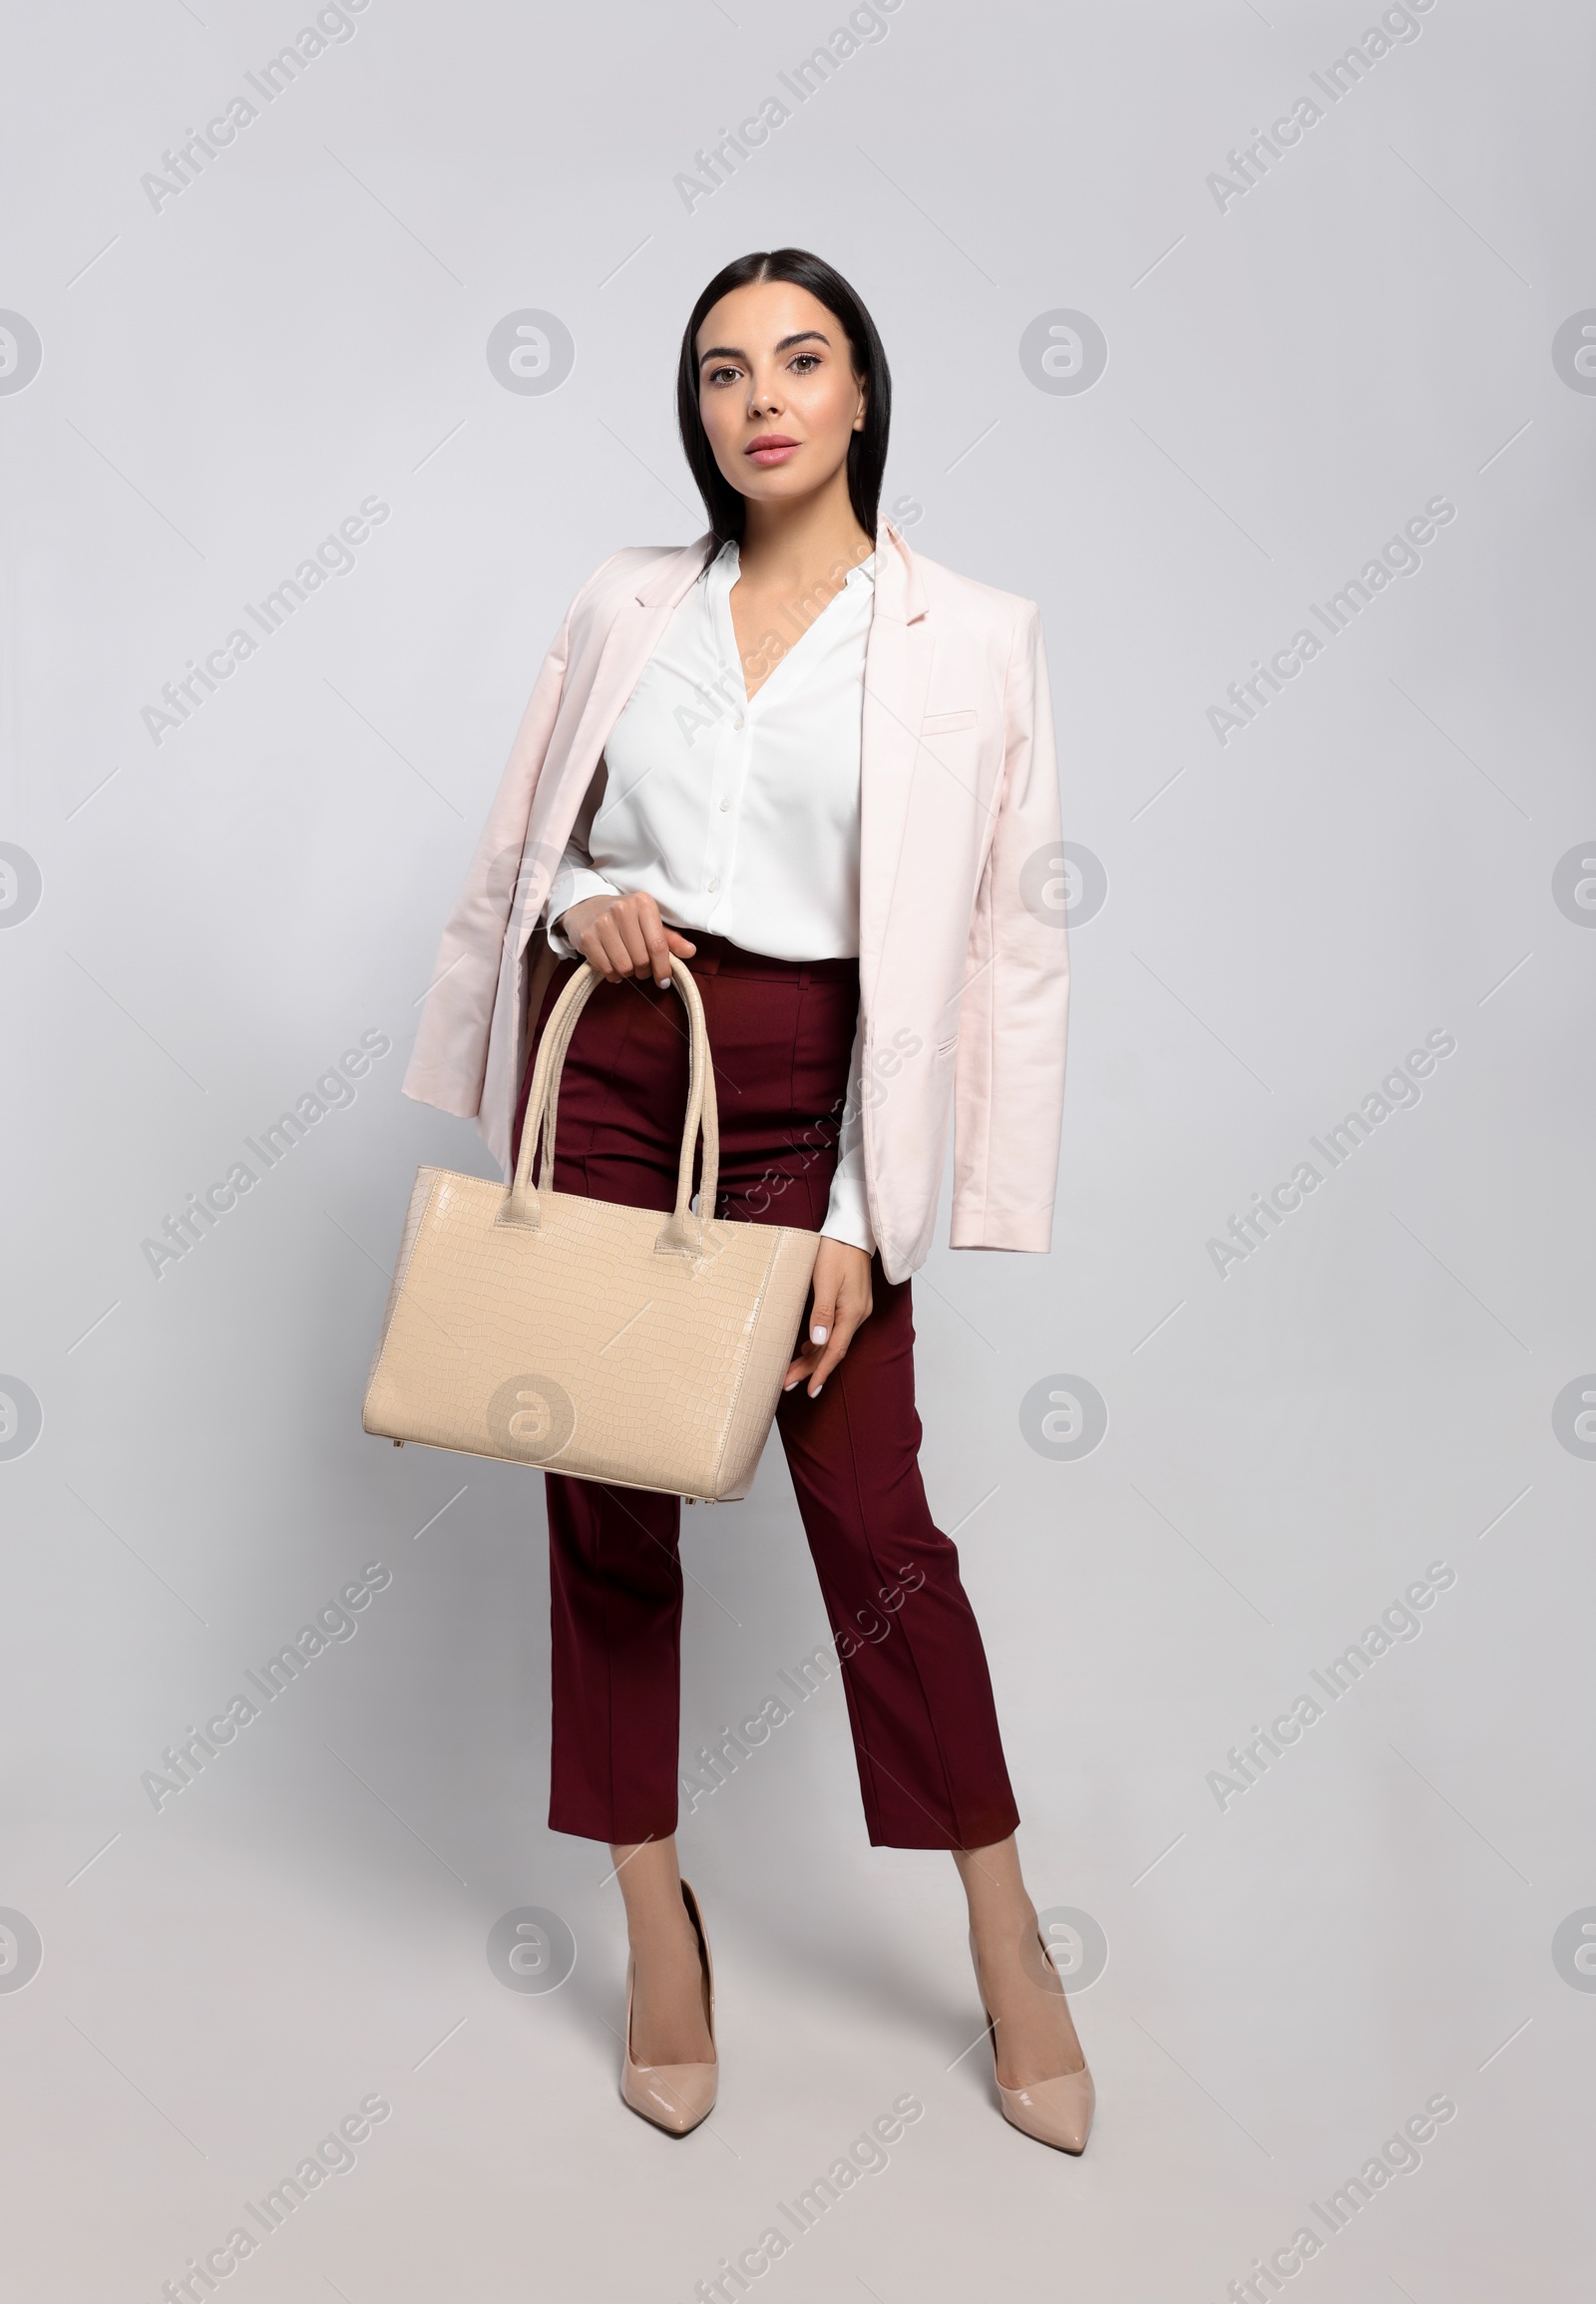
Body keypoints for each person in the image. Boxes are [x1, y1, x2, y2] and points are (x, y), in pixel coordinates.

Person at [403, 247, 1089, 2151]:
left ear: (863, 391)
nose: (760, 396)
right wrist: (575, 906)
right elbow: (532, 827)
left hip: (818, 1094)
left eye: (801, 359)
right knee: (608, 1499)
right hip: (620, 1064)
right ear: (693, 409)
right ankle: (653, 1922)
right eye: (721, 369)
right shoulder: (632, 598)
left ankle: (1012, 1937)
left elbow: (989, 950)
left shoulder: (971, 634)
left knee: (878, 1530)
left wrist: (870, 1217)